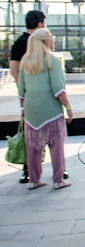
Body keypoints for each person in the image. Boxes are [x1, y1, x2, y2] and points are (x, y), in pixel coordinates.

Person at [17, 29, 73, 189]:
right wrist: (68, 108)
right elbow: (58, 90)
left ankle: (34, 180)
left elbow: (21, 90)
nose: (53, 41)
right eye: (52, 38)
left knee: (33, 147)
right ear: (46, 41)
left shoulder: (25, 61)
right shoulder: (52, 60)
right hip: (51, 111)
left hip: (30, 110)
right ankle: (58, 179)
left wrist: (23, 108)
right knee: (56, 145)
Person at [9, 9, 45, 183]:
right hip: (46, 98)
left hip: (29, 97)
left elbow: (14, 69)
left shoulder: (18, 43)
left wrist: (22, 90)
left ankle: (28, 170)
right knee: (52, 135)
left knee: (30, 135)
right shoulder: (41, 42)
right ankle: (59, 171)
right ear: (40, 24)